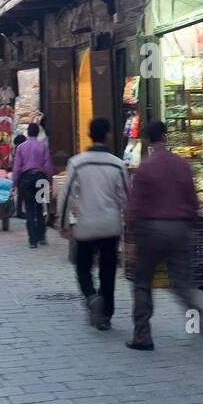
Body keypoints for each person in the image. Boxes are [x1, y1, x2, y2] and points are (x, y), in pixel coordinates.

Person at [124, 120, 203, 349]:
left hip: (150, 230)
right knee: (182, 283)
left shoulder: (145, 167)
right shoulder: (182, 164)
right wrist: (192, 224)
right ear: (166, 138)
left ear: (146, 141)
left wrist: (130, 239)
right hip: (179, 228)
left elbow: (135, 205)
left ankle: (142, 336)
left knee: (142, 282)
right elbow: (192, 199)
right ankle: (198, 320)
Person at [59, 117, 129, 330]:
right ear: (108, 135)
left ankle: (91, 297)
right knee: (108, 271)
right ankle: (106, 315)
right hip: (110, 225)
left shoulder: (78, 162)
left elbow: (66, 194)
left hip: (86, 225)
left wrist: (63, 224)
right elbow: (127, 197)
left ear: (89, 135)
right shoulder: (117, 164)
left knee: (83, 267)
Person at [12, 122, 53, 248]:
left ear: (28, 133)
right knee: (40, 208)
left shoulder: (21, 148)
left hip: (26, 179)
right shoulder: (43, 147)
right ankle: (41, 237)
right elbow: (48, 166)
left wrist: (14, 184)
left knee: (29, 210)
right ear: (38, 133)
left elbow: (17, 167)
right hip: (40, 178)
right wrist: (50, 182)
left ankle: (32, 240)